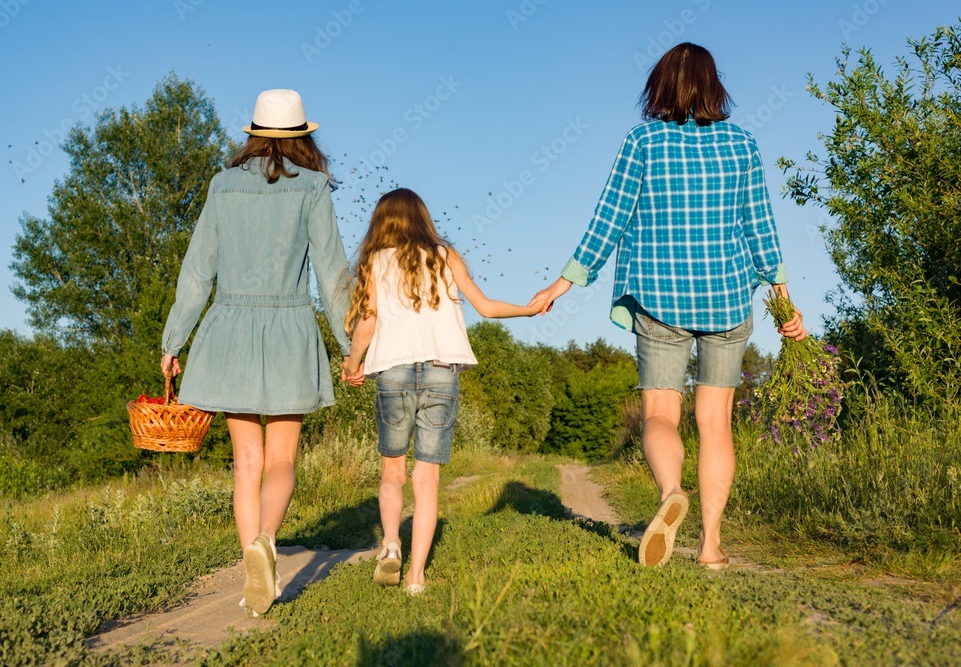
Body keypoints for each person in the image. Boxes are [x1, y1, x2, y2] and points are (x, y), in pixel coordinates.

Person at [535, 43, 806, 570]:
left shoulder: (642, 141)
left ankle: (670, 493)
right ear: (714, 86)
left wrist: (563, 283)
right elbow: (761, 227)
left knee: (660, 413)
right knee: (715, 422)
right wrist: (784, 301)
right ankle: (710, 545)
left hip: (659, 295)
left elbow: (609, 218)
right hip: (728, 297)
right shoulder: (742, 144)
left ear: (659, 86)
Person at [160, 89, 352, 615]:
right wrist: (350, 346)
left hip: (230, 330)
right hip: (289, 327)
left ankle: (253, 567)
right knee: (282, 458)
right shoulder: (312, 187)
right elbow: (333, 274)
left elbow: (197, 272)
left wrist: (173, 341)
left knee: (247, 461)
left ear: (252, 135)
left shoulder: (222, 186)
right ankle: (266, 541)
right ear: (303, 137)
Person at [342, 188, 543, 595]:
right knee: (427, 478)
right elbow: (486, 308)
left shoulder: (375, 261)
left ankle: (391, 543)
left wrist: (352, 363)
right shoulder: (445, 256)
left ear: (381, 222)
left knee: (392, 471)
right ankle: (416, 576)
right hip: (441, 373)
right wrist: (529, 309)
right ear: (422, 217)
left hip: (394, 372)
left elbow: (367, 323)